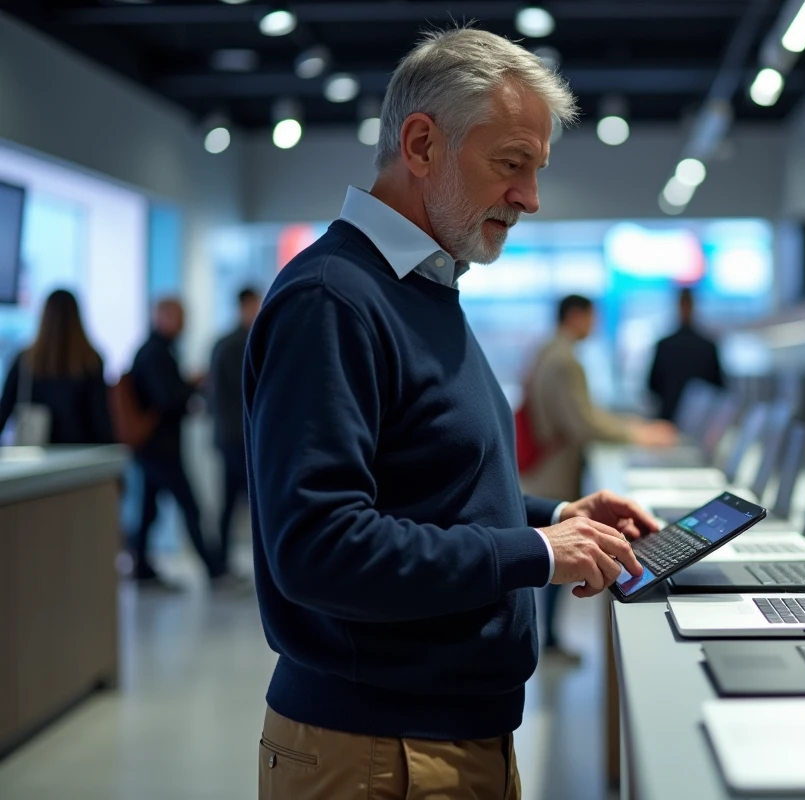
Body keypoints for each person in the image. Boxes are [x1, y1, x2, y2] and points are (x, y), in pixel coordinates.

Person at [245, 28, 659, 799]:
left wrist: (557, 516)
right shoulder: (332, 299)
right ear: (422, 144)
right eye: (511, 164)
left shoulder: (422, 288)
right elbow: (319, 547)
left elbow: (426, 485)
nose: (529, 198)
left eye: (535, 171)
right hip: (381, 751)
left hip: (440, 738)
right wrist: (535, 553)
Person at [520, 294, 676, 661]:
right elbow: (582, 422)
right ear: (576, 316)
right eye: (592, 317)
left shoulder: (549, 350)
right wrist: (637, 434)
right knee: (556, 552)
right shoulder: (564, 360)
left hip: (545, 466)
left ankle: (550, 638)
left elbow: (583, 413)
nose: (594, 325)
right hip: (554, 470)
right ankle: (551, 640)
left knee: (554, 551)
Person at [128, 297, 217, 586]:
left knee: (148, 510)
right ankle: (214, 569)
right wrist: (191, 388)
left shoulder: (157, 351)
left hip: (154, 447)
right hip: (159, 447)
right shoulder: (156, 353)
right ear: (162, 317)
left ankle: (141, 568)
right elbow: (166, 397)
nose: (184, 324)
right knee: (190, 506)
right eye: (179, 316)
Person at [0, 289, 113, 444]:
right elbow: (100, 416)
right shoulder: (90, 361)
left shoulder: (26, 360)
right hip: (80, 450)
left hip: (35, 448)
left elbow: (4, 408)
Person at [208, 287, 261, 578]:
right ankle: (226, 564)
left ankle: (222, 564)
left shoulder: (223, 343)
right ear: (245, 306)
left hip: (228, 435)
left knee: (231, 503)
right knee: (252, 503)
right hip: (239, 437)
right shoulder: (241, 344)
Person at [647, 287, 725, 421]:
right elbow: (719, 387)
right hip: (699, 420)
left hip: (669, 416)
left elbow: (652, 385)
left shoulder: (665, 345)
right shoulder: (707, 346)